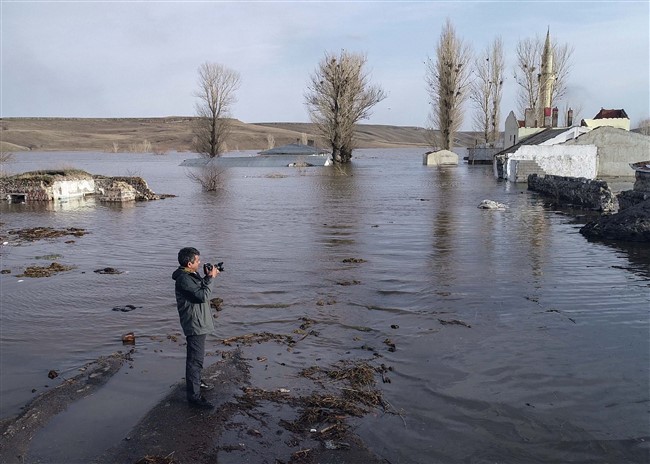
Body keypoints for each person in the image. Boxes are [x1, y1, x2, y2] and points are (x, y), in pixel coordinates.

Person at [172, 247, 220, 409]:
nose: (199, 263)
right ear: (189, 263)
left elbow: (200, 291)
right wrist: (212, 279)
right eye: (197, 261)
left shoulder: (190, 275)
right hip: (194, 324)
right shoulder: (184, 279)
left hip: (198, 322)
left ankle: (197, 382)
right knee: (195, 360)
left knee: (196, 358)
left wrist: (207, 277)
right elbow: (203, 296)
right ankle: (194, 397)